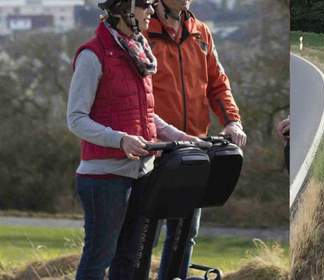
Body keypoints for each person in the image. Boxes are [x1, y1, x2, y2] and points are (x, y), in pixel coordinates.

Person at [66, 0, 198, 279]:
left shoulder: (138, 52)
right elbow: (76, 119)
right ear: (123, 10)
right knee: (98, 260)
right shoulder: (93, 55)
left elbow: (146, 113)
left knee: (129, 261)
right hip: (103, 179)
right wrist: (121, 140)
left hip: (141, 173)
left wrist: (177, 135)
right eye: (144, 5)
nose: (151, 11)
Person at [144, 1, 246, 279]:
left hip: (195, 149)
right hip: (154, 147)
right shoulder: (144, 30)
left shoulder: (200, 32)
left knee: (185, 233)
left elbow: (217, 83)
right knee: (144, 235)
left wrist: (231, 121)